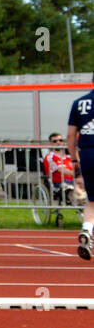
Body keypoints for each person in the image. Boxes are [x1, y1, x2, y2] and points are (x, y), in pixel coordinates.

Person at [67, 87, 94, 259]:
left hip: (87, 153)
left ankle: (87, 229)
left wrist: (74, 158)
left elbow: (71, 135)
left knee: (92, 200)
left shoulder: (79, 103)